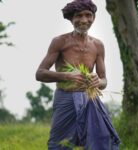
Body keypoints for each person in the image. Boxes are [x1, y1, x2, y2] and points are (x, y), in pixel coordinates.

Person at [36, 0, 120, 149]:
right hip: (65, 98)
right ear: (71, 19)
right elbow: (40, 73)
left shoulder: (97, 45)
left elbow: (104, 80)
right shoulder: (60, 42)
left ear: (93, 17)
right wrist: (66, 76)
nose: (84, 20)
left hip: (90, 99)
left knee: (101, 141)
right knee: (59, 144)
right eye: (78, 16)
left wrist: (97, 81)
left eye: (88, 15)